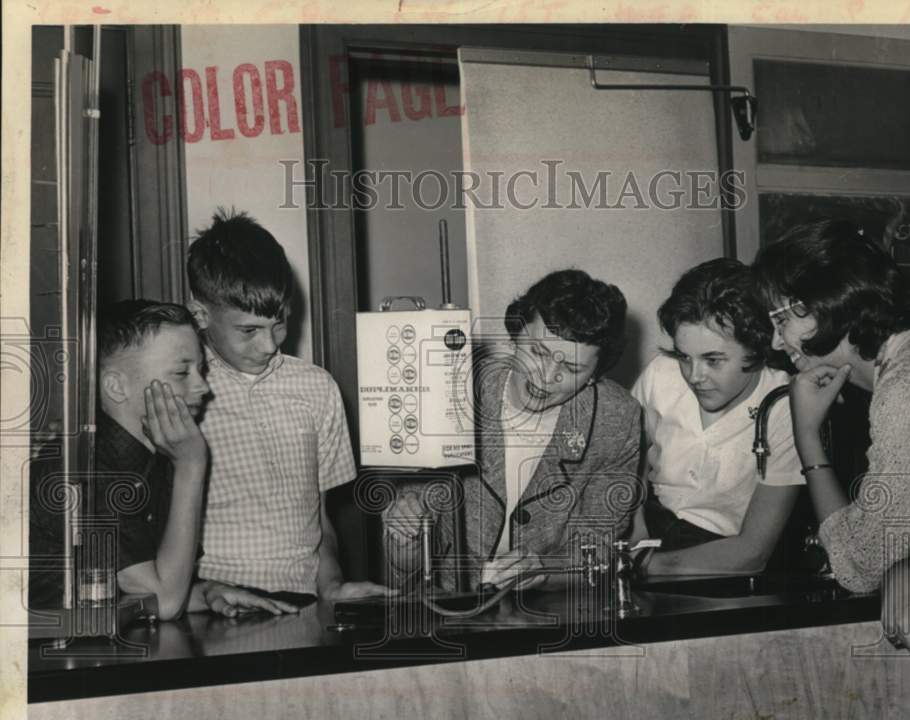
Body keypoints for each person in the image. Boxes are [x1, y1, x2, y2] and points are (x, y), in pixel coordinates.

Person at [754, 219, 910, 678]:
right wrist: (900, 567)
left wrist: (807, 437)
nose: (776, 342)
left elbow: (857, 562)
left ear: (830, 304)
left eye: (782, 319)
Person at [30, 300, 300, 619]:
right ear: (117, 386)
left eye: (201, 370)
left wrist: (205, 592)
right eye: (181, 372)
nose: (202, 387)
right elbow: (163, 600)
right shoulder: (83, 470)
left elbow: (137, 592)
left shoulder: (151, 457)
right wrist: (191, 467)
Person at [383, 269, 643, 591]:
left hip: (551, 609)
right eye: (538, 352)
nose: (546, 376)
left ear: (595, 374)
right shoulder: (451, 390)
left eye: (571, 368)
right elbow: (405, 565)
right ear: (516, 335)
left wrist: (547, 570)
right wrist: (405, 531)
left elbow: (599, 548)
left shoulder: (617, 419)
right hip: (452, 601)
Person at [187, 210, 391, 605]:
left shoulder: (318, 387)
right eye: (249, 331)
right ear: (200, 314)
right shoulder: (183, 392)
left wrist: (332, 586)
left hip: (301, 603)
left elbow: (319, 521)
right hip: (214, 607)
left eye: (279, 323)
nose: (269, 345)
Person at [631, 258, 803, 576]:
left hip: (724, 564)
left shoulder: (785, 404)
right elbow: (629, 463)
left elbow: (753, 552)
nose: (695, 376)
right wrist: (635, 531)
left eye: (713, 360)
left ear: (756, 348)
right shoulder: (660, 374)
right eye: (684, 357)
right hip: (647, 537)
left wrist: (643, 567)